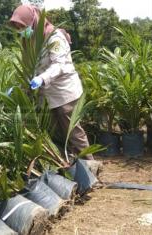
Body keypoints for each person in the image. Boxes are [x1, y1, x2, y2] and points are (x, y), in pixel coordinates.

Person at [9, 4, 94, 160]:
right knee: (56, 136)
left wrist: (42, 78)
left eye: (22, 26)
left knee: (73, 133)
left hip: (64, 92)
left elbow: (60, 64)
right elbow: (29, 68)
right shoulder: (28, 40)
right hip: (46, 96)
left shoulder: (53, 36)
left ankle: (90, 168)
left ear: (32, 20)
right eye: (18, 28)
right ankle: (69, 168)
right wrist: (19, 87)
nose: (21, 30)